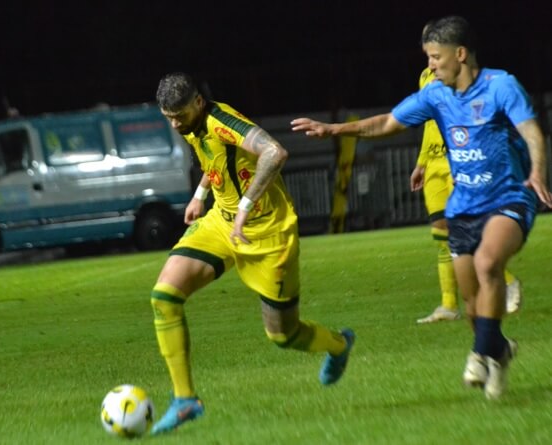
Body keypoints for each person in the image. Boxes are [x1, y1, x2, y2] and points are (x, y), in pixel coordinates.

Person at [291, 16, 552, 400]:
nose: (430, 65)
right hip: (463, 207)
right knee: (470, 301)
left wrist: (537, 173)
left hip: (509, 197)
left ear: (459, 54)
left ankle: (480, 353)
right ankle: (498, 351)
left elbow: (531, 129)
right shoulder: (435, 94)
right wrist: (333, 131)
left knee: (488, 265)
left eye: (435, 56)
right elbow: (386, 123)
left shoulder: (501, 85)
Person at [150, 72, 355, 435]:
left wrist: (245, 206)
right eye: (169, 117)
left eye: (179, 116)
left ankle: (338, 344)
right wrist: (201, 196)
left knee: (283, 335)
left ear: (198, 102)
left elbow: (275, 152)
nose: (175, 124)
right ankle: (185, 401)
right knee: (164, 296)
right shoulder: (192, 125)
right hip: (220, 224)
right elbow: (217, 159)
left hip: (267, 233)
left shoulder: (221, 120)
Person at [412, 66, 523, 324]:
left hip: (457, 160)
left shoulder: (463, 76)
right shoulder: (425, 76)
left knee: (466, 230)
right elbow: (429, 123)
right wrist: (421, 162)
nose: (431, 58)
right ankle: (448, 305)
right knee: (441, 234)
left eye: (435, 51)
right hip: (433, 165)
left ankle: (507, 281)